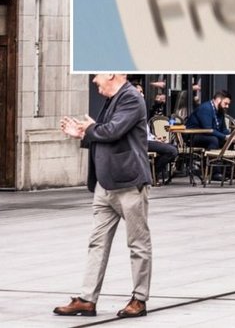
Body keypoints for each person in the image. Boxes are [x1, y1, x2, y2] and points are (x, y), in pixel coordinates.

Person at [54, 74, 152, 319]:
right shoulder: (112, 99)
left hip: (129, 183)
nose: (94, 81)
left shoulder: (131, 98)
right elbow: (104, 135)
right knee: (97, 242)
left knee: (137, 244)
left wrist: (88, 129)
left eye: (97, 75)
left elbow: (112, 131)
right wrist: (84, 133)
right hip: (105, 185)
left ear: (112, 73)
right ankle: (87, 300)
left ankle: (139, 299)